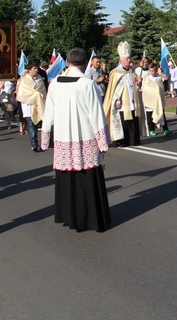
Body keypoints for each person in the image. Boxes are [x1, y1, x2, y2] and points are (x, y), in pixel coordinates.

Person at [40, 47, 111, 232]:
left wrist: (46, 137)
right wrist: (103, 142)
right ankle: (91, 219)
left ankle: (69, 216)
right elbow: (97, 115)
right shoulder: (88, 84)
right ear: (85, 62)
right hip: (85, 137)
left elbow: (49, 114)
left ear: (68, 62)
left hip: (64, 139)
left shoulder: (55, 83)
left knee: (68, 179)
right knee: (87, 179)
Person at [103, 41, 145, 147]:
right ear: (121, 60)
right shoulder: (115, 73)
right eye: (127, 58)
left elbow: (134, 85)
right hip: (121, 102)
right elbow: (115, 89)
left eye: (129, 58)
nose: (129, 60)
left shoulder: (132, 71)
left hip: (132, 100)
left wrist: (138, 82)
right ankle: (122, 141)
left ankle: (133, 140)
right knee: (123, 121)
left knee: (132, 119)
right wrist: (117, 100)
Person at [16, 60, 47, 152]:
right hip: (28, 104)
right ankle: (34, 145)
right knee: (31, 124)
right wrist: (35, 95)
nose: (36, 70)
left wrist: (43, 99)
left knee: (38, 124)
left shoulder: (39, 79)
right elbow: (22, 93)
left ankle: (43, 143)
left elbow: (42, 91)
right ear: (29, 70)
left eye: (37, 68)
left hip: (38, 104)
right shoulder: (24, 80)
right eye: (34, 68)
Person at [141, 62, 171, 137]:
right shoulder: (147, 79)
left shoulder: (160, 78)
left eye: (154, 70)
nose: (152, 72)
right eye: (151, 71)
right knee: (150, 115)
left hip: (158, 101)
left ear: (156, 70)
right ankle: (151, 129)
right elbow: (145, 89)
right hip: (150, 101)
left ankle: (165, 129)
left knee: (161, 114)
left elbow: (162, 89)